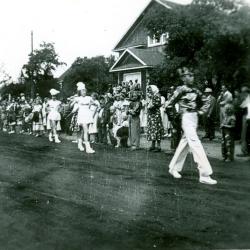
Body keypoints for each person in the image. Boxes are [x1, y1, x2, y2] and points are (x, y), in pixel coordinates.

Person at [166, 67, 217, 185]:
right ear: (183, 78)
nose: (192, 77)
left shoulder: (195, 90)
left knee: (185, 143)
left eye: (193, 75)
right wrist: (175, 117)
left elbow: (206, 101)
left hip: (194, 118)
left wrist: (201, 112)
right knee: (195, 143)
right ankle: (204, 174)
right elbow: (169, 104)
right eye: (189, 75)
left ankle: (173, 168)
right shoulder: (180, 89)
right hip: (186, 118)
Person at [73, 82, 95, 153]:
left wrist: (93, 104)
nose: (84, 92)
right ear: (79, 91)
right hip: (81, 115)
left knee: (82, 131)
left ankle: (79, 144)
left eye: (85, 90)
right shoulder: (77, 98)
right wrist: (75, 106)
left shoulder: (89, 98)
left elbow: (96, 103)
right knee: (85, 130)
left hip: (87, 115)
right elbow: (71, 106)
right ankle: (88, 148)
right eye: (82, 91)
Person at [146, 85, 164, 152]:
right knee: (152, 129)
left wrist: (151, 106)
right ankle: (153, 145)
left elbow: (157, 104)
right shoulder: (151, 96)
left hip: (155, 114)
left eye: (150, 89)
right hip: (151, 115)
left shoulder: (157, 95)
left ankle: (158, 146)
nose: (149, 91)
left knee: (156, 129)